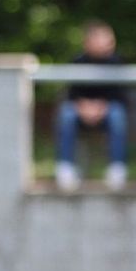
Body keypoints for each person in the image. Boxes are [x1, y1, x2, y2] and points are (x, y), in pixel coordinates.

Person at [55, 20, 127, 191]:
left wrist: (102, 107)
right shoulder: (78, 62)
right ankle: (65, 168)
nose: (107, 43)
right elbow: (73, 93)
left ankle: (117, 168)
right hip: (82, 111)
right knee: (66, 114)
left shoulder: (117, 63)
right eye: (102, 39)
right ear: (88, 42)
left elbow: (121, 95)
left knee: (117, 114)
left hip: (107, 112)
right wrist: (84, 106)